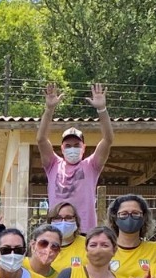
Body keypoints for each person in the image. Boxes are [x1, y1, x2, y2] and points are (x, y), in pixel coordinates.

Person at [36, 82, 113, 233]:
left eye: (77, 145)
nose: (72, 148)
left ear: (84, 148)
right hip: (57, 230)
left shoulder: (91, 166)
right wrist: (49, 109)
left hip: (85, 231)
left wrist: (102, 110)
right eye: (68, 145)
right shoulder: (53, 164)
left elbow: (108, 139)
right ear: (62, 148)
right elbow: (41, 139)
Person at [107, 194, 156, 278]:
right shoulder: (105, 249)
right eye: (124, 214)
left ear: (144, 217)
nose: (129, 217)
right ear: (115, 218)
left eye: (135, 213)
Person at [46, 202, 87, 273]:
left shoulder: (88, 244)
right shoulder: (43, 246)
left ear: (76, 220)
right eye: (58, 218)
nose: (63, 222)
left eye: (68, 218)